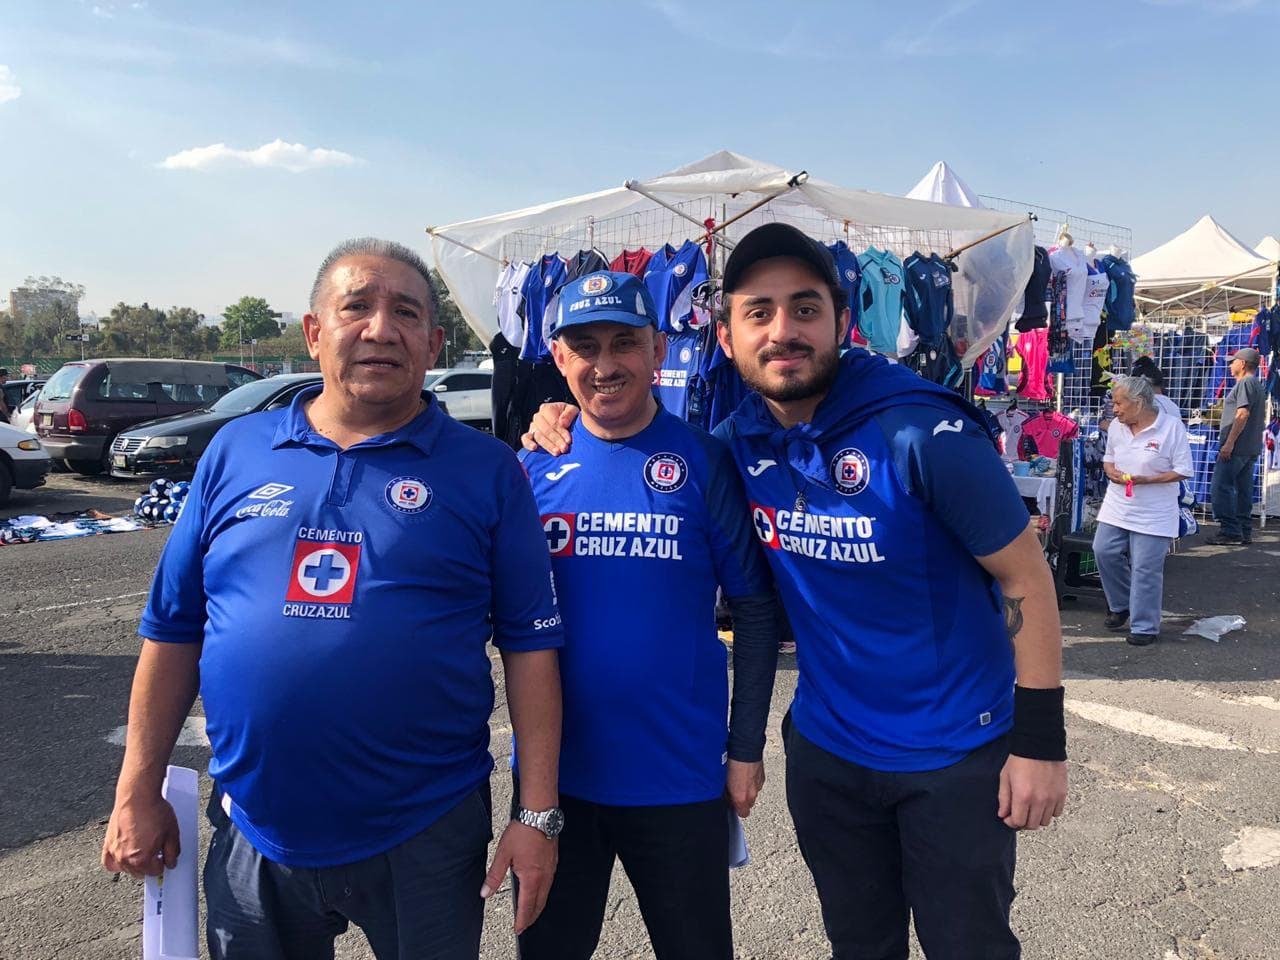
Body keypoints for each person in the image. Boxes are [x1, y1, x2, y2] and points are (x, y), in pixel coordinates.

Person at [525, 223, 1068, 959]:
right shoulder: (740, 440)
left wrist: (1039, 744)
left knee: (966, 946)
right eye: (759, 313)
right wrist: (554, 419)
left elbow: (1025, 577)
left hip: (951, 754)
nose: (783, 331)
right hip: (828, 752)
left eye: (804, 309)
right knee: (859, 943)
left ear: (843, 321)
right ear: (724, 337)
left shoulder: (921, 431)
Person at [102, 238, 565, 960]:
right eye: (357, 307)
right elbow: (172, 630)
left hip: (427, 830)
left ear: (433, 342)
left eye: (406, 312)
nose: (381, 328)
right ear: (315, 332)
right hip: (255, 828)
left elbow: (533, 649)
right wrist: (137, 790)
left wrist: (535, 817)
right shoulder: (235, 451)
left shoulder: (487, 471)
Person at [515, 270, 781, 960]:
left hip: (679, 776)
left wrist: (745, 745)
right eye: (586, 347)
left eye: (624, 343)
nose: (606, 365)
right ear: (560, 359)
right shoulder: (528, 467)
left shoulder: (703, 460)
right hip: (555, 783)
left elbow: (753, 606)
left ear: (658, 350)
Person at [1092, 376, 1193, 646]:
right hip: (1118, 504)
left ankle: (1145, 626)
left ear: (1137, 403)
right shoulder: (1116, 426)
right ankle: (1121, 604)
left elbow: (1183, 470)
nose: (1114, 409)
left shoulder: (1171, 428)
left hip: (1155, 511)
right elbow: (1108, 459)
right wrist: (1111, 472)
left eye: (1118, 403)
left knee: (1145, 569)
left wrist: (1148, 480)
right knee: (1104, 551)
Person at [1208, 347, 1266, 545]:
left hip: (1237, 447)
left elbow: (1242, 414)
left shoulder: (1246, 383)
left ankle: (1231, 531)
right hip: (1249, 446)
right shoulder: (1256, 384)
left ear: (1242, 364)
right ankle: (1242, 529)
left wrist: (1229, 442)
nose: (1230, 364)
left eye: (1233, 361)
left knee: (1220, 487)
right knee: (1243, 489)